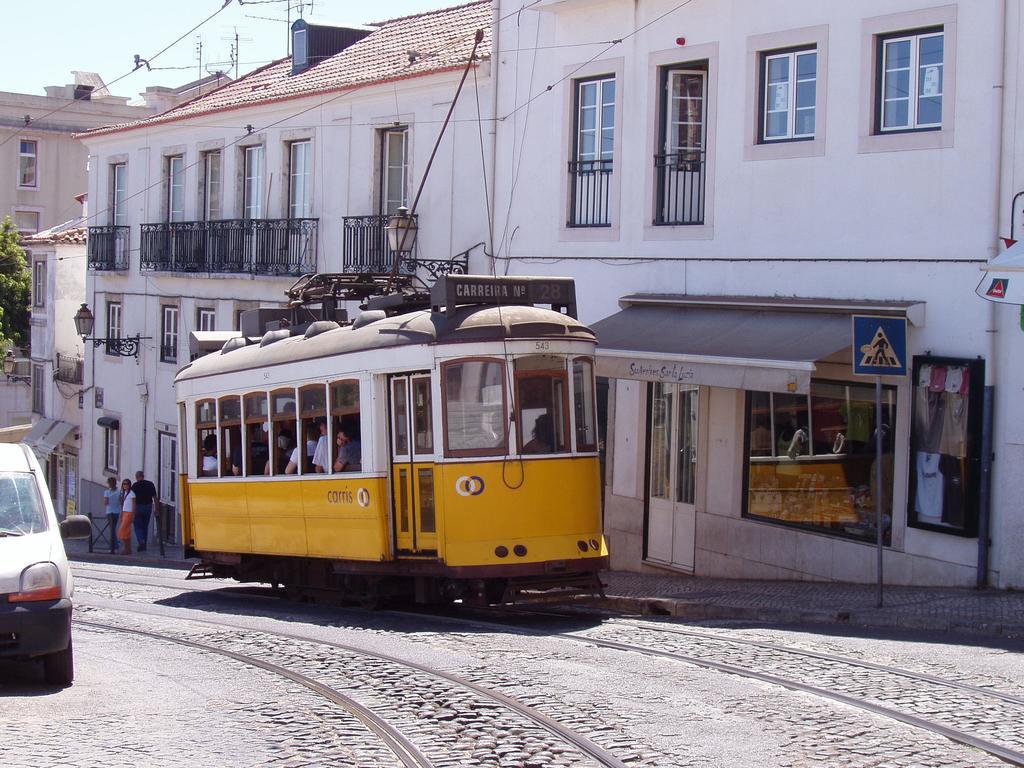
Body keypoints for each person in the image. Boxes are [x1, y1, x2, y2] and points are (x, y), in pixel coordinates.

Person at [130, 470, 159, 553]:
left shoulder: (135, 486)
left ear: (137, 477)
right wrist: (156, 509)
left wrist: (133, 510)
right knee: (145, 526)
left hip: (138, 507)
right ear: (143, 476)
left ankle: (141, 540)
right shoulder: (150, 484)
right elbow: (155, 498)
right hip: (148, 506)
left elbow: (133, 500)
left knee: (137, 526)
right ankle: (144, 545)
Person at [102, 477, 121, 554]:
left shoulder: (106, 492)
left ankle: (113, 546)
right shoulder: (119, 492)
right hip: (117, 512)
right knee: (113, 529)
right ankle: (115, 545)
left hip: (110, 512)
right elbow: (121, 501)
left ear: (110, 483)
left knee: (112, 530)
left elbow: (105, 503)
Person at [117, 479, 135, 555]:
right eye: (124, 484)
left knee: (122, 531)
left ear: (129, 485)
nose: (125, 485)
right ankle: (128, 549)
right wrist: (121, 514)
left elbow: (134, 505)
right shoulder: (124, 493)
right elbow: (123, 505)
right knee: (127, 532)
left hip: (129, 513)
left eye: (127, 484)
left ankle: (126, 548)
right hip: (124, 513)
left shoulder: (132, 493)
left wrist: (133, 515)